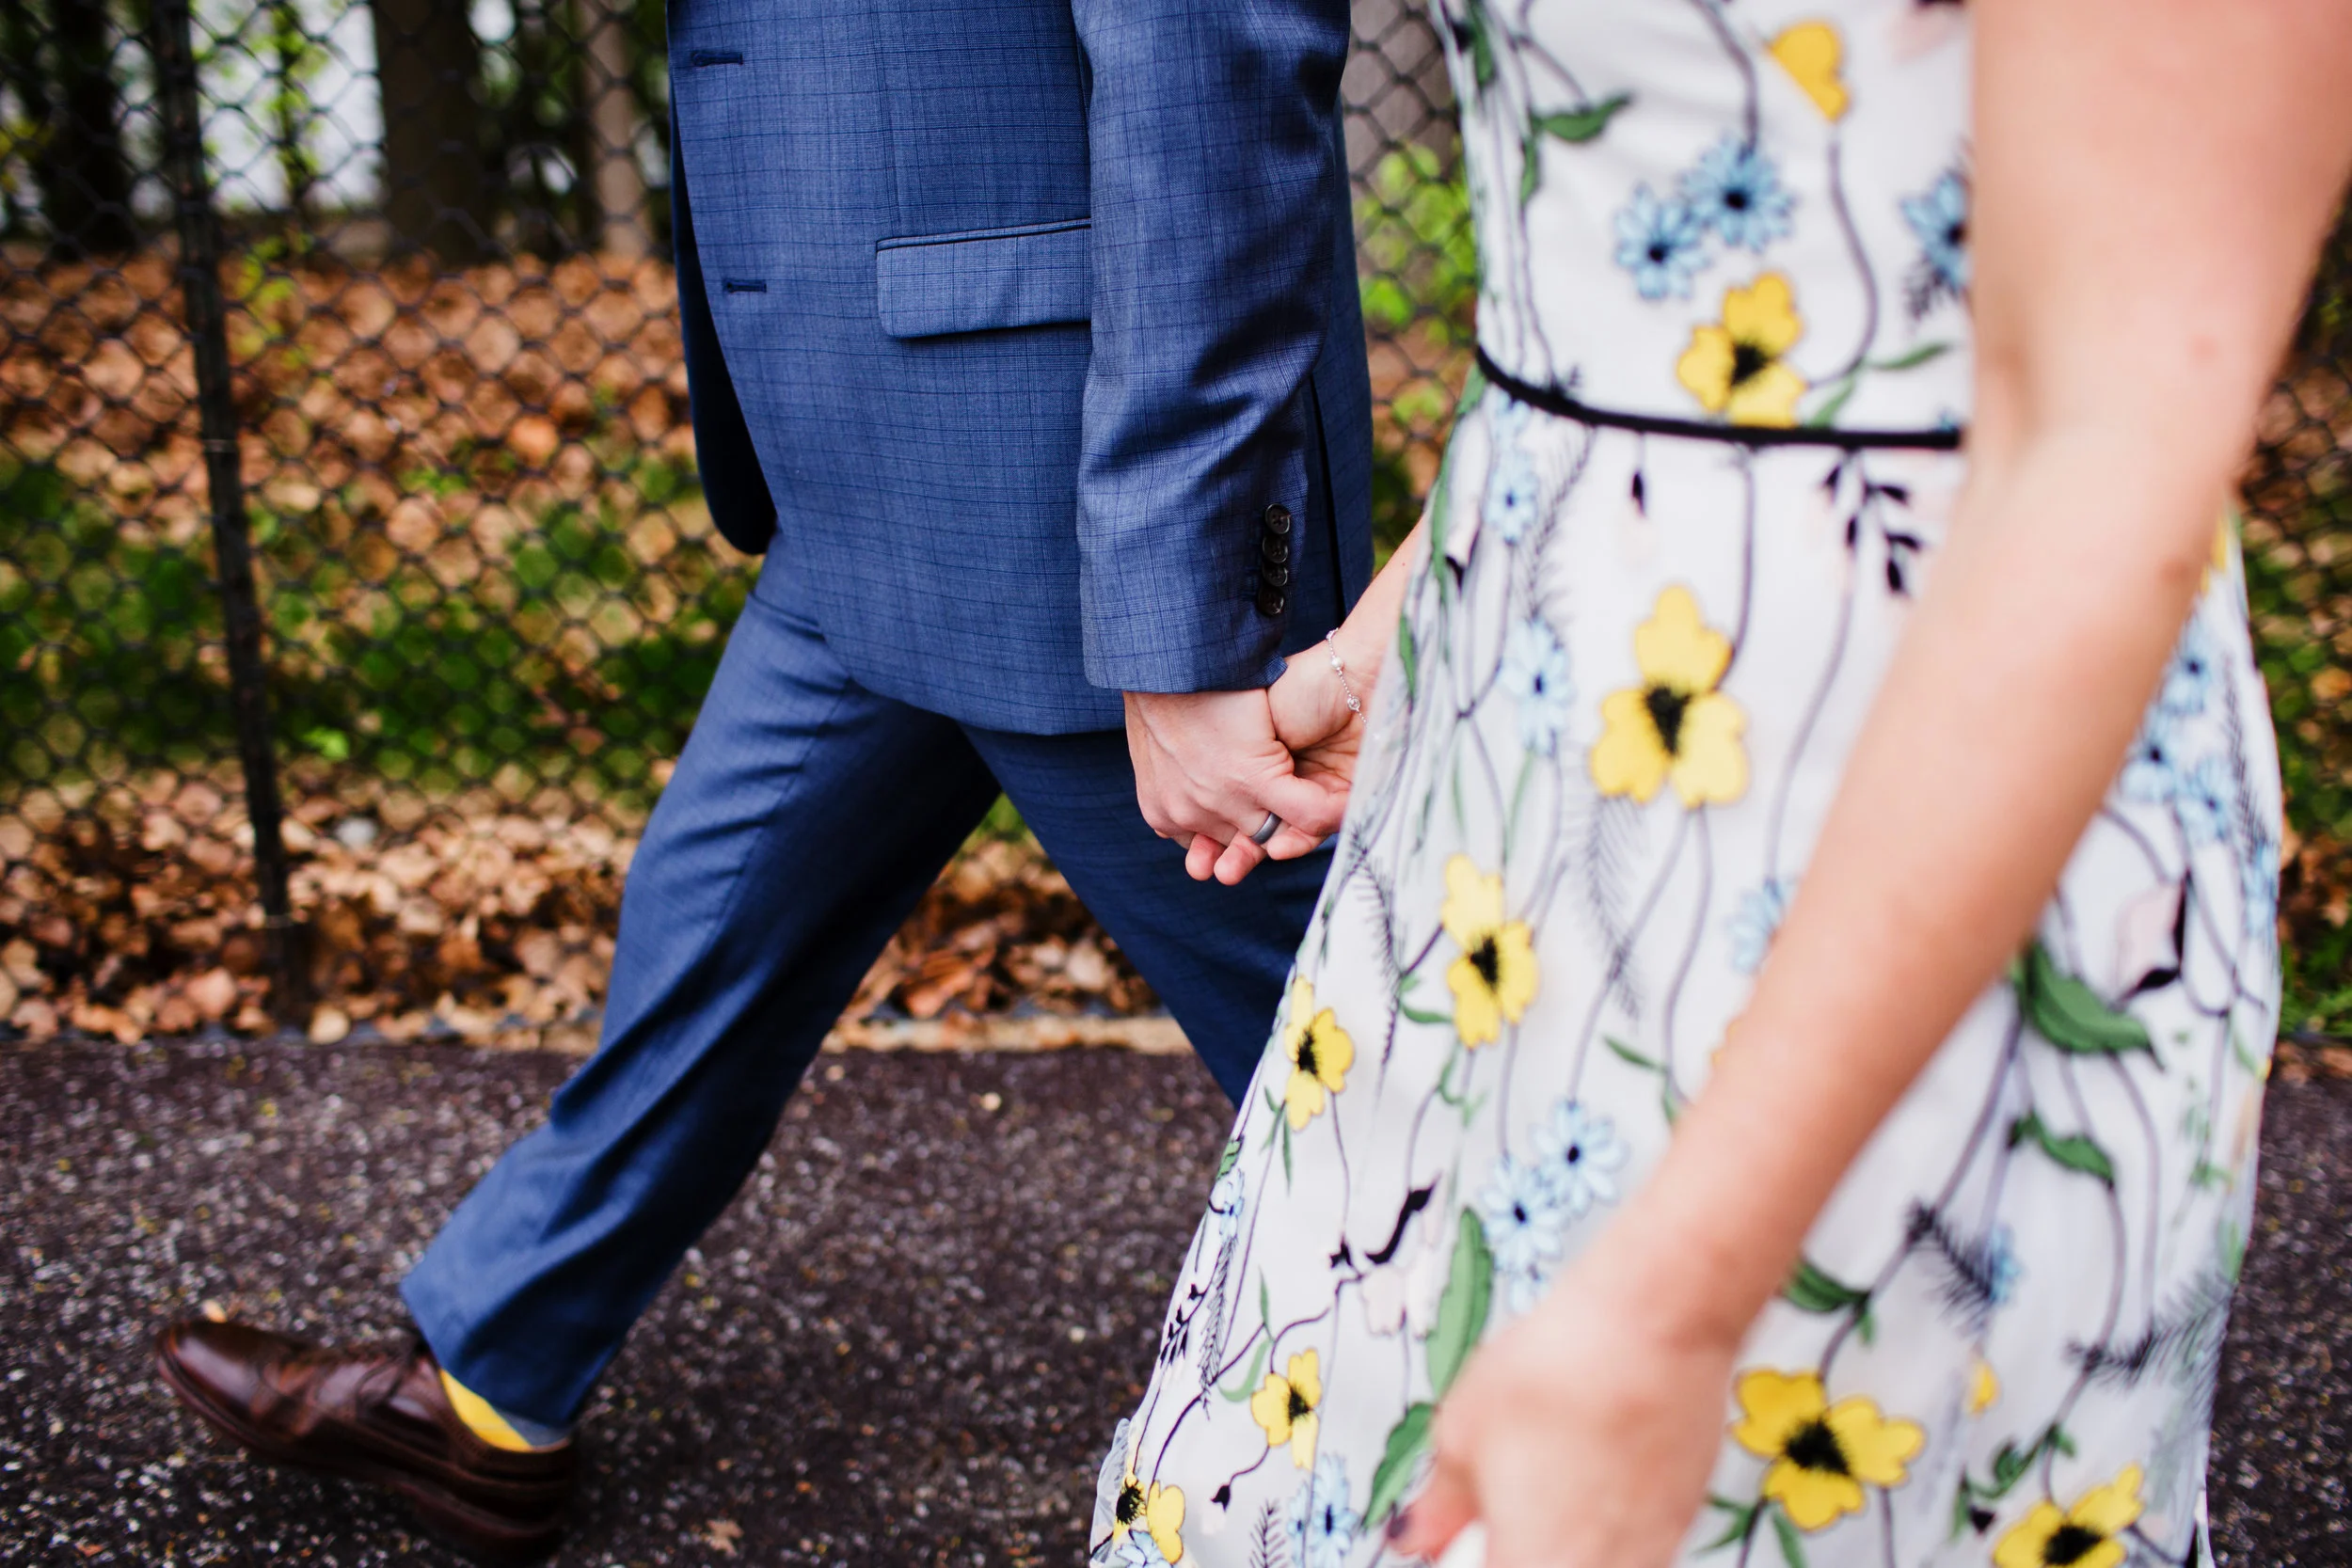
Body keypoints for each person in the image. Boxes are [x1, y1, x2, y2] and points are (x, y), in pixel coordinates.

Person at [1098, 1, 2352, 1565]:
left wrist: (1677, 1303)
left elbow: (2111, 445)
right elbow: (1615, 311)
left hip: (1908, 801)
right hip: (1504, 786)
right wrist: (1392, 653)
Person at [152, 1, 1372, 1558]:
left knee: (1354, 1045)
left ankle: (1643, 1378)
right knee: (714, 914)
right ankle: (491, 1386)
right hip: (866, 464)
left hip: (1076, 497)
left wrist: (1182, 608)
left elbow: (1210, 63)